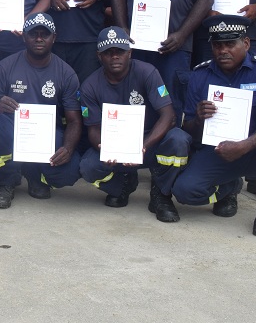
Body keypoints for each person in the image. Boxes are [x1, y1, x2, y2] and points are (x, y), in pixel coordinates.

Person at [173, 15, 256, 237]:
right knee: (185, 192)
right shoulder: (200, 75)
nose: (223, 51)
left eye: (230, 44)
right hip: (218, 152)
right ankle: (228, 188)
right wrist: (199, 119)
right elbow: (188, 129)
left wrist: (245, 146)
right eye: (217, 45)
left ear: (246, 43)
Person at [78, 26, 189, 221]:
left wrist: (143, 146)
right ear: (99, 56)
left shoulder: (148, 72)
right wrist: (105, 148)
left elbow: (168, 115)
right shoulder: (89, 86)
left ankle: (161, 194)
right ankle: (122, 185)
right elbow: (93, 129)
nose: (115, 57)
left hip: (149, 142)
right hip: (116, 146)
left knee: (178, 140)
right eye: (108, 52)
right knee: (88, 166)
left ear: (129, 52)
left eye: (120, 51)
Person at [0, 14, 84, 209]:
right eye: (33, 34)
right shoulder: (5, 67)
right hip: (10, 130)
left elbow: (74, 121)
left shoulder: (66, 73)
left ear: (54, 37)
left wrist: (68, 148)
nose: (38, 39)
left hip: (46, 135)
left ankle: (36, 175)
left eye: (44, 34)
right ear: (23, 37)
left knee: (70, 170)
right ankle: (4, 181)